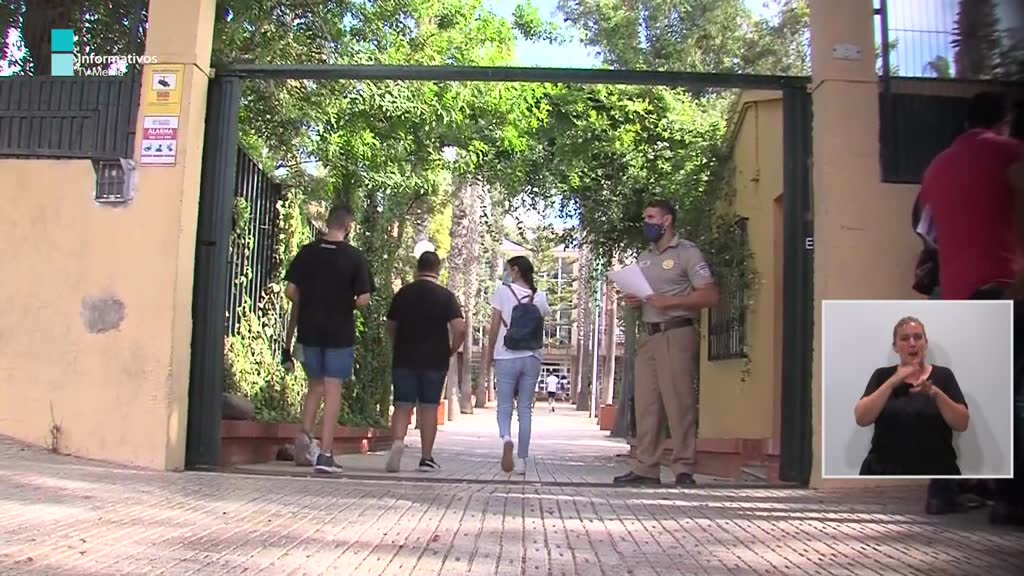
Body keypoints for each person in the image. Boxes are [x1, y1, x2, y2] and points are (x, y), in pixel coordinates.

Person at [917, 91, 1024, 519]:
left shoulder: (937, 166)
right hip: (1005, 285)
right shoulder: (1009, 152)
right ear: (1003, 120)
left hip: (956, 292)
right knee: (1010, 396)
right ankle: (1011, 499)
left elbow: (925, 230)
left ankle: (941, 492)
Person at [613, 199, 719, 486]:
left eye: (650, 217)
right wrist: (635, 300)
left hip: (676, 333)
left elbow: (709, 295)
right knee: (647, 405)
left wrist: (669, 302)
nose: (645, 223)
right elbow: (644, 295)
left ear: (666, 220)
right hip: (650, 336)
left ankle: (684, 468)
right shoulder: (644, 257)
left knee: (678, 401)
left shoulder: (687, 253)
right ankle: (646, 468)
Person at [282, 204, 375, 475]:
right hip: (339, 332)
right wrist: (344, 304)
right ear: (348, 226)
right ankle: (325, 454)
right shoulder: (355, 258)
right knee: (333, 390)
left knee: (315, 386)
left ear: (328, 222)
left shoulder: (307, 253)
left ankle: (305, 438)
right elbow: (364, 299)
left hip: (309, 330)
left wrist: (312, 302)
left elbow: (290, 291)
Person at [854, 317, 970, 479]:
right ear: (895, 347)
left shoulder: (944, 375)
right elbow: (861, 418)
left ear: (926, 343)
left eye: (918, 337)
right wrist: (893, 381)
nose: (912, 343)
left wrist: (936, 394)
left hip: (937, 473)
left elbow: (962, 423)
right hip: (884, 472)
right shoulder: (882, 375)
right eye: (904, 338)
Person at [383, 251, 466, 473]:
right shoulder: (446, 297)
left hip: (404, 357)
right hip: (434, 360)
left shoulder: (403, 293)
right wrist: (451, 350)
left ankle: (397, 442)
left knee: (402, 405)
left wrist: (397, 343)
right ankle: (426, 458)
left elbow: (390, 326)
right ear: (437, 270)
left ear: (417, 268)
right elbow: (460, 328)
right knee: (429, 408)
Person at [483, 255, 551, 475]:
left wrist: (490, 353)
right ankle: (522, 461)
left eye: (508, 269)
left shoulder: (502, 292)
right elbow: (541, 322)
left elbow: (494, 326)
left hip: (506, 354)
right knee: (525, 409)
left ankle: (506, 439)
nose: (506, 273)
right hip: (532, 357)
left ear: (515, 271)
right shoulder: (539, 296)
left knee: (504, 406)